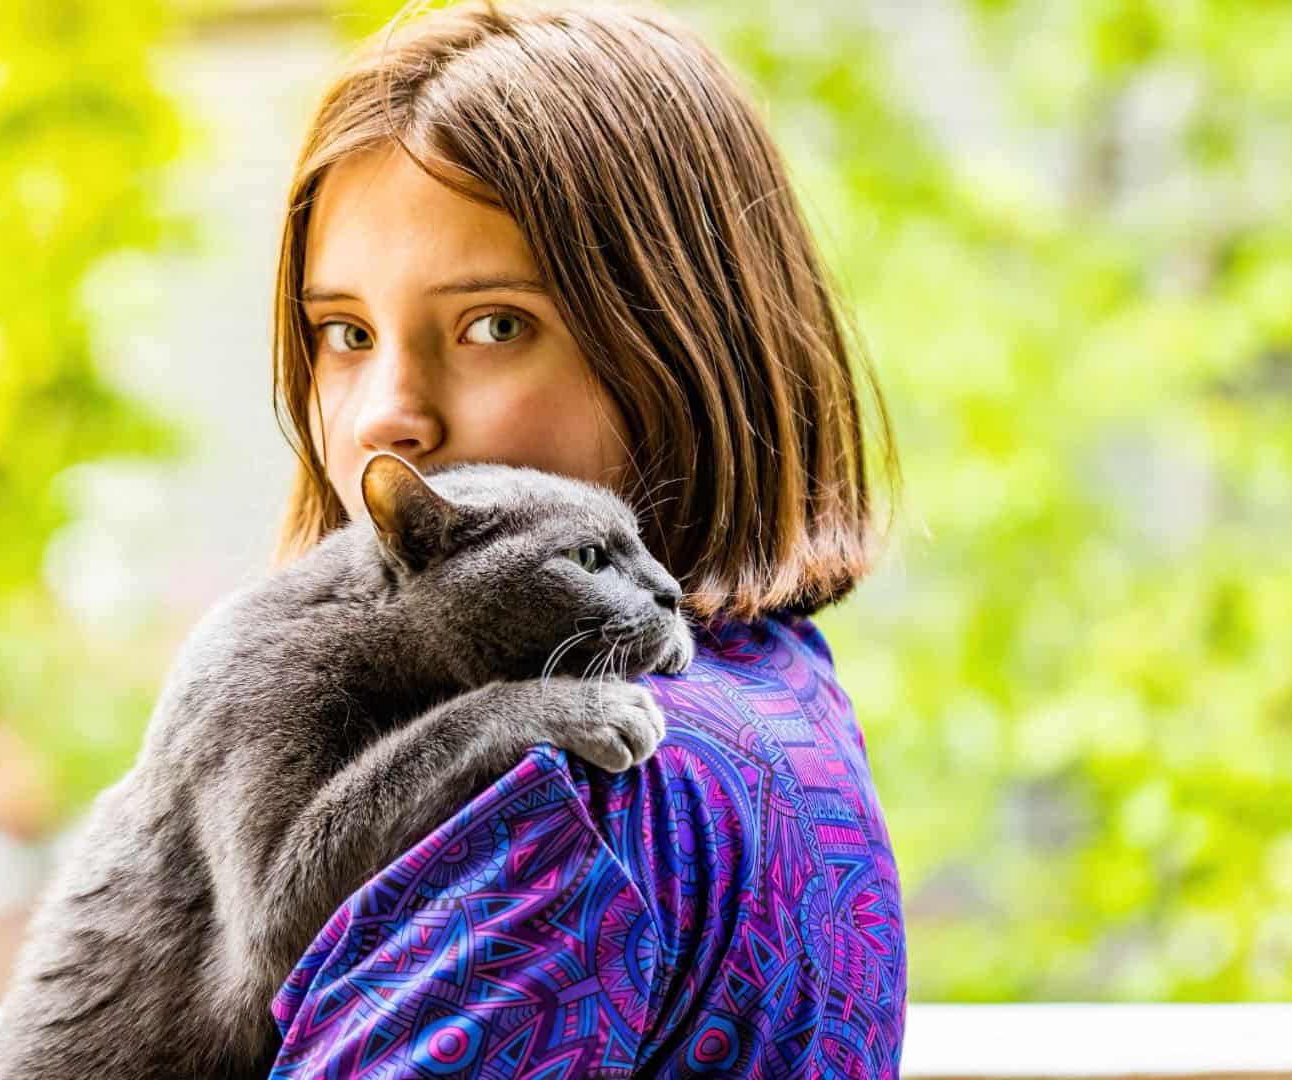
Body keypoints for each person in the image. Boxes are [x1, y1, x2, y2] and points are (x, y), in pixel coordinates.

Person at [262, 2, 906, 1074]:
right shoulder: (784, 693)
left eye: (494, 325)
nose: (387, 411)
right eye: (345, 332)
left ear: (687, 345)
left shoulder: (574, 785)